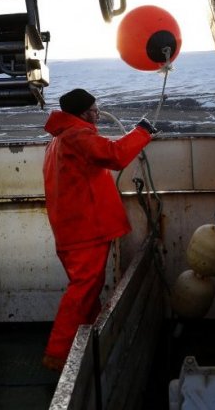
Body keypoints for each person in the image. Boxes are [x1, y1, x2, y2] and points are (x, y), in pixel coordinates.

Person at [42, 88, 157, 372]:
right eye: (94, 109)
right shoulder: (78, 136)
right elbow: (115, 155)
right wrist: (142, 132)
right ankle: (58, 356)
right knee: (82, 290)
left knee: (88, 289)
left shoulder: (58, 140)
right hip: (85, 231)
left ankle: (88, 340)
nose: (97, 113)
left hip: (72, 230)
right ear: (83, 113)